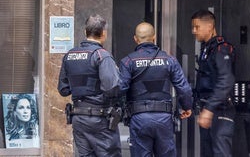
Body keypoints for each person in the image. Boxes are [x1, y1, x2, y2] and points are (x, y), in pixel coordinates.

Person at [119, 22, 193, 157]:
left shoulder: (128, 61)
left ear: (135, 39)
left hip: (139, 118)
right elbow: (183, 87)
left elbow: (120, 89)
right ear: (154, 37)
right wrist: (187, 106)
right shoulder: (169, 60)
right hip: (164, 119)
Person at [57, 14, 122, 157]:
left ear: (85, 32)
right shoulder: (102, 56)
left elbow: (63, 89)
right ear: (104, 34)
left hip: (79, 118)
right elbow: (112, 88)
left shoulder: (70, 55)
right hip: (100, 120)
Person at [191, 9, 236, 157]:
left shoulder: (220, 48)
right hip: (208, 109)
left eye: (197, 27)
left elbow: (226, 80)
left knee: (219, 152)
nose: (193, 31)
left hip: (220, 110)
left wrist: (209, 109)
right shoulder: (207, 48)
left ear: (209, 26)